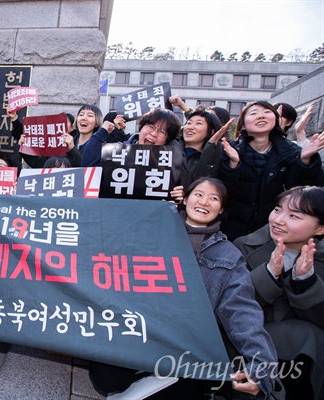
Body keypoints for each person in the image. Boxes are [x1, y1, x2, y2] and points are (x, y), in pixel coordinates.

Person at [89, 177, 282, 400]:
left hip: (183, 344)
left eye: (214, 198)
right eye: (198, 194)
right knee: (107, 378)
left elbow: (243, 313)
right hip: (135, 326)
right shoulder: (151, 227)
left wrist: (262, 366)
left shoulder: (228, 256)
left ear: (221, 210)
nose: (205, 202)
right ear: (186, 198)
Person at [234, 186, 324, 400]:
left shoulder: (320, 261)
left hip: (306, 362)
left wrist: (305, 282)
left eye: (294, 216)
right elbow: (232, 307)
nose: (279, 220)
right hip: (249, 350)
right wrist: (268, 274)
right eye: (277, 210)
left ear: (320, 229)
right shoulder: (243, 247)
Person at [218, 100, 324, 241]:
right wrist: (232, 166)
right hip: (229, 228)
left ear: (276, 120)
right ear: (243, 124)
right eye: (254, 113)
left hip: (271, 230)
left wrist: (305, 161)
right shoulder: (228, 150)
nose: (261, 116)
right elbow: (222, 191)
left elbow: (303, 192)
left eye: (267, 112)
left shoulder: (291, 152)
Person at [81, 108, 180, 167]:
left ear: (166, 139)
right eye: (150, 127)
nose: (153, 134)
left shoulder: (168, 164)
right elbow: (88, 166)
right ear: (140, 127)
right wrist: (101, 133)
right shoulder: (117, 152)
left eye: (161, 131)